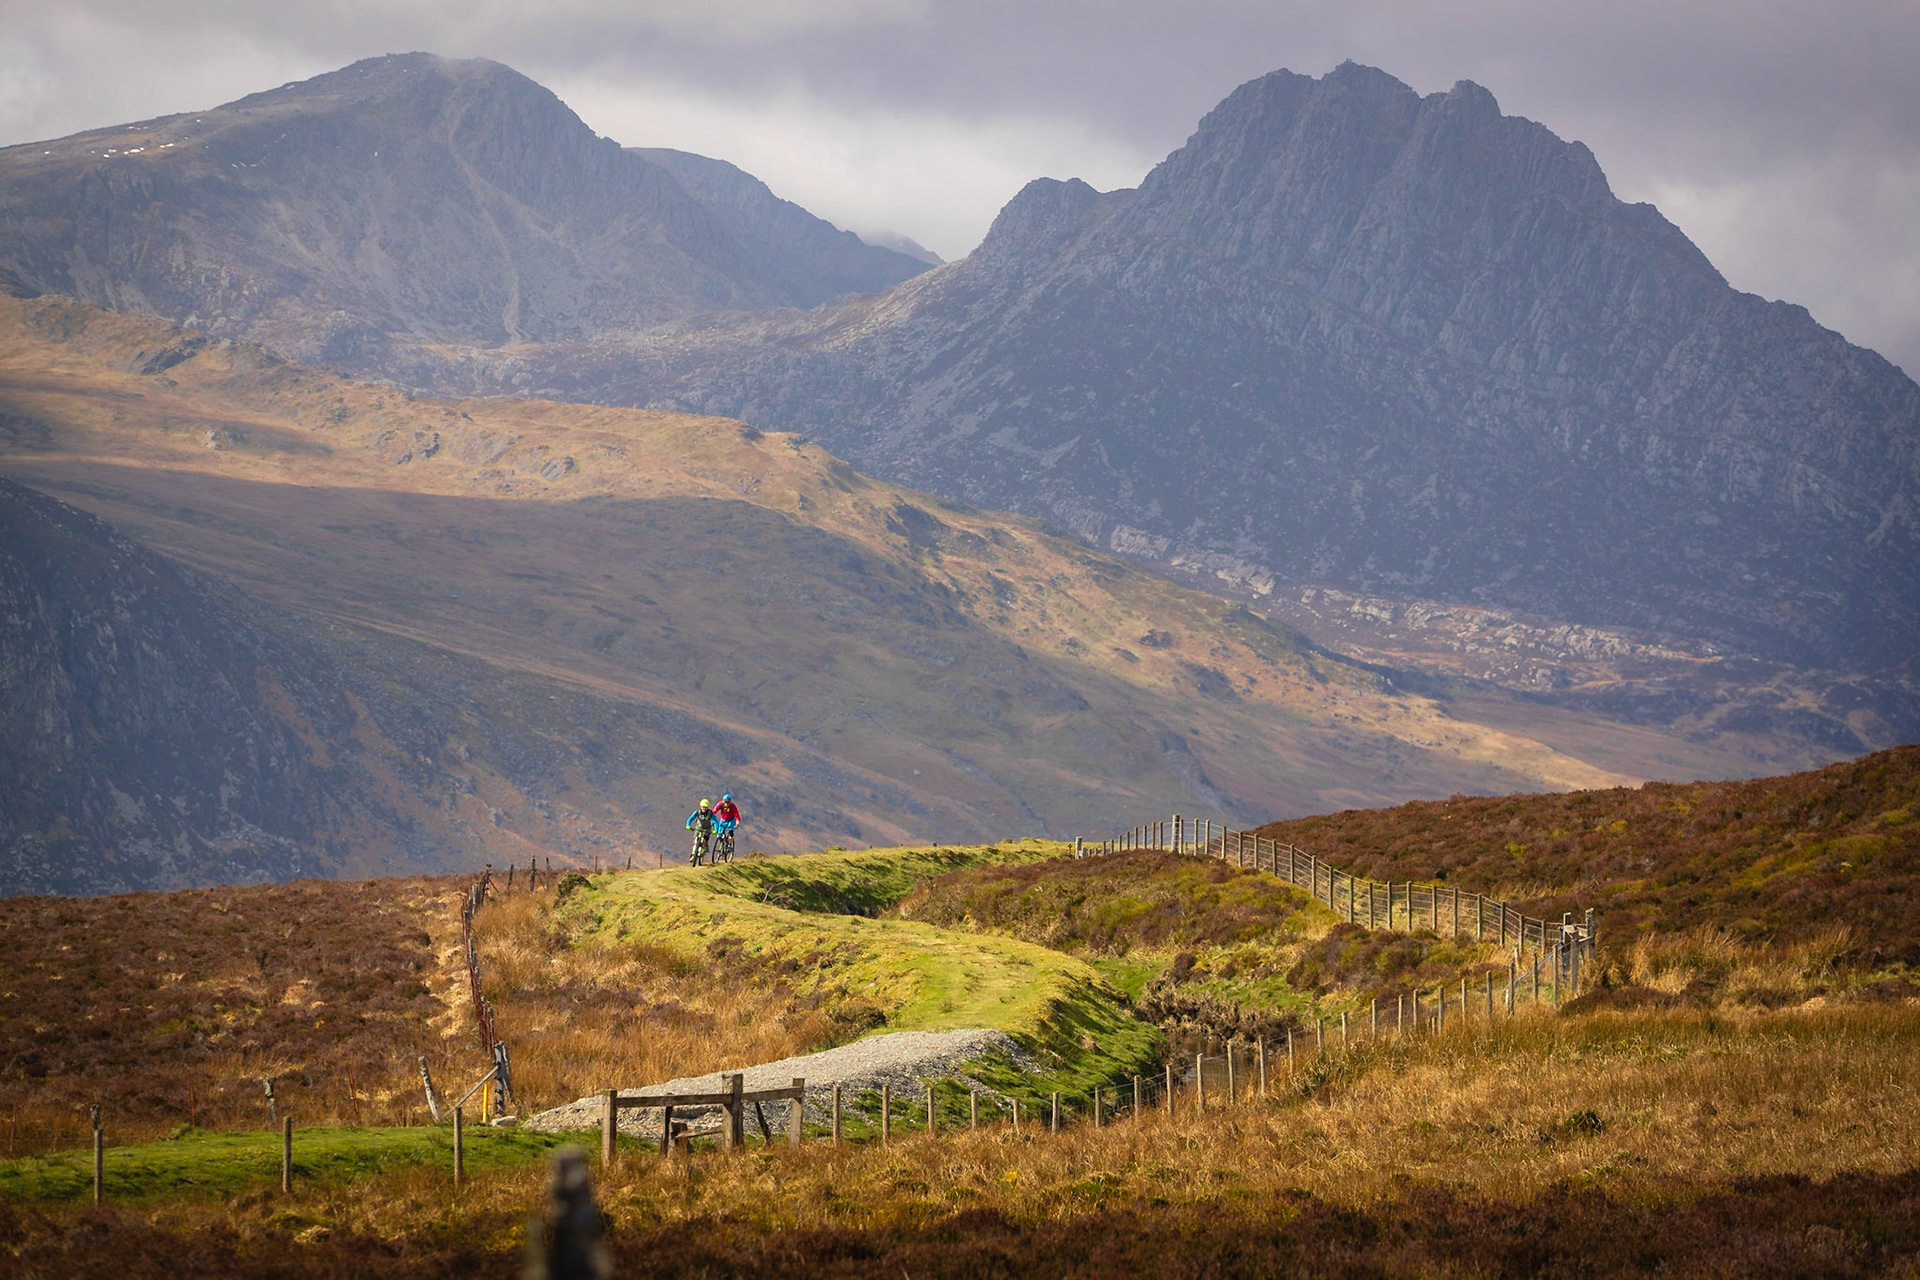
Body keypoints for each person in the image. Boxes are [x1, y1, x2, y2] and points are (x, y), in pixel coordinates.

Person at [686, 798, 717, 866]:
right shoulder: (697, 812)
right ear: (700, 806)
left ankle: (705, 847)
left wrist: (715, 829)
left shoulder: (710, 813)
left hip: (707, 828)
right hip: (698, 827)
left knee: (705, 838)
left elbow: (715, 822)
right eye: (703, 807)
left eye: (705, 807)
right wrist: (688, 825)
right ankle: (693, 854)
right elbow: (690, 819)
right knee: (695, 840)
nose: (704, 808)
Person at [711, 793, 741, 862]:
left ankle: (730, 845)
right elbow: (714, 811)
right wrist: (711, 818)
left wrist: (737, 824)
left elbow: (737, 816)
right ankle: (721, 846)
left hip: (731, 820)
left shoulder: (733, 806)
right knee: (719, 834)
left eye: (728, 802)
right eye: (725, 802)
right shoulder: (720, 804)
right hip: (723, 820)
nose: (726, 804)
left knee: (730, 835)